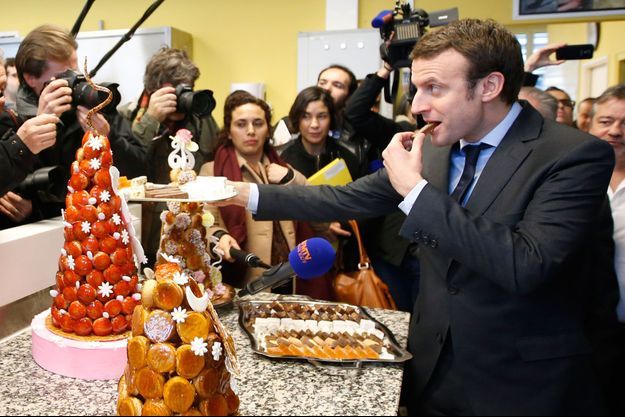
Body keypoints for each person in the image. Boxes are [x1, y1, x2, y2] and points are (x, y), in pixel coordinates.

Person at [217, 19, 620, 415]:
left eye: (434, 89)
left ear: (489, 86)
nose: (417, 106)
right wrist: (236, 193)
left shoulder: (572, 155)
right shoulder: (438, 146)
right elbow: (343, 199)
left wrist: (415, 190)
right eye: (416, 89)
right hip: (433, 373)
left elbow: (525, 263)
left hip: (521, 384)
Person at [11, 24, 146, 228]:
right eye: (66, 75)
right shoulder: (13, 119)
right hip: (39, 236)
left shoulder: (95, 104)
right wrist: (42, 122)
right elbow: (24, 192)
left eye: (76, 70)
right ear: (31, 79)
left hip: (98, 231)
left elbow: (142, 170)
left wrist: (109, 139)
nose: (75, 81)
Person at [118, 47, 219, 266]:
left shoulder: (202, 122)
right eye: (174, 90)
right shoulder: (127, 116)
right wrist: (151, 120)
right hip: (143, 230)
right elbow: (128, 164)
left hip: (190, 228)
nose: (182, 96)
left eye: (187, 88)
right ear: (151, 89)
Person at [199, 91, 310, 290]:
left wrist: (289, 178)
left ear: (267, 129)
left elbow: (311, 199)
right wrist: (220, 236)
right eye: (241, 124)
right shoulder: (213, 170)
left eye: (258, 123)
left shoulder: (282, 166)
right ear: (229, 131)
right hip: (248, 277)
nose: (251, 131)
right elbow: (207, 219)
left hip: (290, 275)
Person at [589, 84, 625, 416]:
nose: (615, 131)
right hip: (586, 331)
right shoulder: (568, 181)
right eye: (606, 121)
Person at [280, 86, 365, 180]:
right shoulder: (282, 157)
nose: (315, 125)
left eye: (321, 116)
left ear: (331, 118)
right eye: (306, 117)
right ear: (297, 119)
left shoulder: (350, 156)